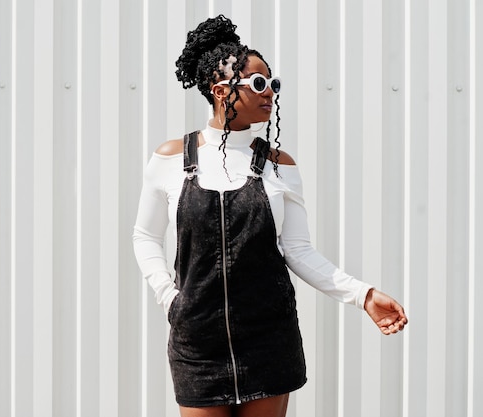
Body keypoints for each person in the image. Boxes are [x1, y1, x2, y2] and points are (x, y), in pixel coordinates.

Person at [132, 15, 408, 417]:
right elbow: (144, 235)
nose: (270, 93)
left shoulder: (280, 165)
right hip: (198, 345)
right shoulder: (172, 158)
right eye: (259, 83)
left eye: (273, 84)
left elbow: (298, 250)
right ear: (221, 91)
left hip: (268, 339)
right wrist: (170, 298)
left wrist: (363, 295)